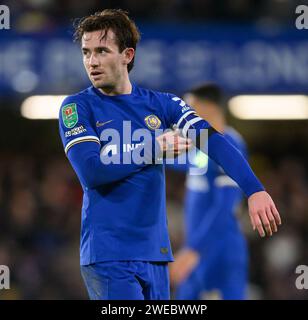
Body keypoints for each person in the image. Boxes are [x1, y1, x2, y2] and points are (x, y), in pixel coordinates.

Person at [58, 9, 281, 300]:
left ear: (127, 55)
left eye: (102, 50)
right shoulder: (77, 107)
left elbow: (212, 139)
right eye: (86, 52)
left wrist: (254, 189)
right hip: (108, 253)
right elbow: (92, 171)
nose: (92, 61)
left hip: (155, 253)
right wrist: (154, 148)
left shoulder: (162, 105)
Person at [169, 83, 250, 299]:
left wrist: (194, 250)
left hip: (220, 248)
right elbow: (173, 161)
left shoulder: (229, 144)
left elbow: (226, 206)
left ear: (208, 108)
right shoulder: (201, 143)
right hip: (199, 247)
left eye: (190, 107)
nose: (183, 113)